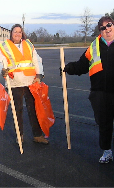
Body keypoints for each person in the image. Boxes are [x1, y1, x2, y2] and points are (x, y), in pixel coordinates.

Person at [62, 16, 114, 163]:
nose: (107, 29)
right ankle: (107, 151)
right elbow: (82, 65)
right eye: (103, 28)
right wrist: (69, 68)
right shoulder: (94, 46)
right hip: (100, 93)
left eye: (109, 25)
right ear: (100, 31)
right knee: (104, 123)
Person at [0, 23, 49, 144]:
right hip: (15, 82)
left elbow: (37, 60)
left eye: (19, 32)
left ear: (22, 33)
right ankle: (20, 136)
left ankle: (38, 135)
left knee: (34, 109)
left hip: (31, 82)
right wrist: (2, 70)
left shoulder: (28, 45)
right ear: (11, 33)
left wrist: (39, 74)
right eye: (15, 32)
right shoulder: (5, 47)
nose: (17, 34)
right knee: (17, 111)